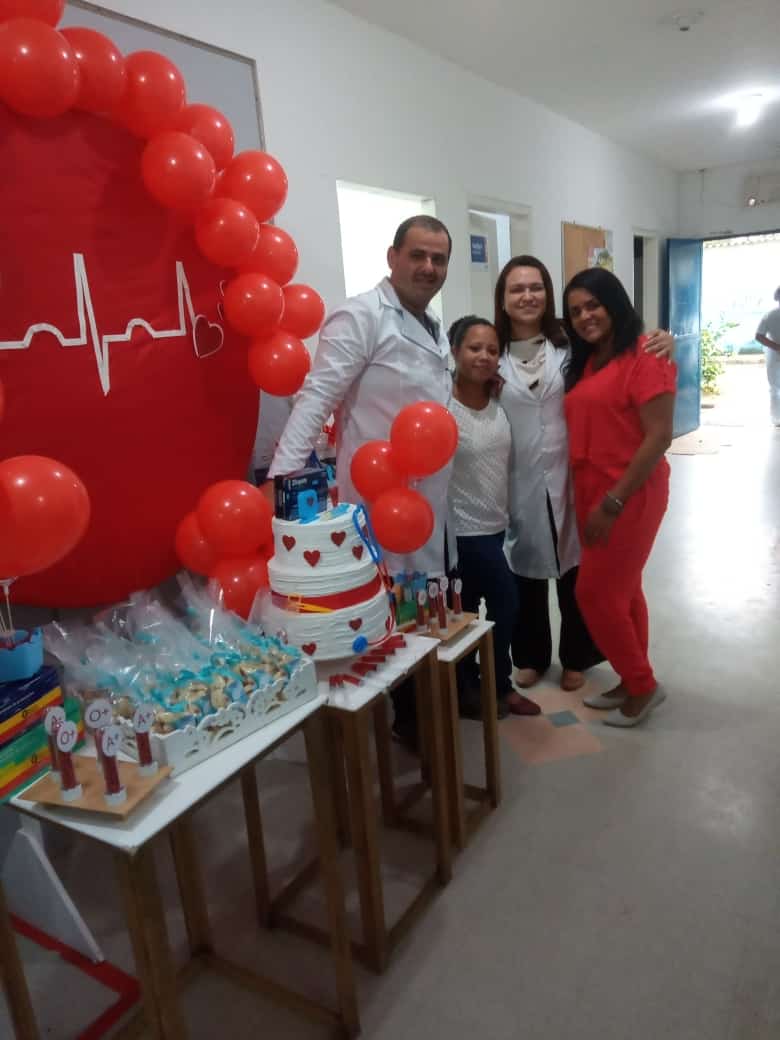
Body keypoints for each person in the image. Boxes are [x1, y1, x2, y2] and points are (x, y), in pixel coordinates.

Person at [267, 215, 454, 748]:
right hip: (380, 497)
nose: (428, 267)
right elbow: (317, 398)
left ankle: (424, 714)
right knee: (386, 612)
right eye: (417, 255)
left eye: (438, 259)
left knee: (424, 608)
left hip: (428, 496)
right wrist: (282, 484)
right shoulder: (362, 315)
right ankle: (405, 723)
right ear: (392, 257)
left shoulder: (431, 322)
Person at [493, 256, 674, 694]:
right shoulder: (491, 352)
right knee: (526, 569)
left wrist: (665, 339)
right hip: (520, 476)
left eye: (536, 287)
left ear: (547, 295)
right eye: (516, 289)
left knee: (578, 570)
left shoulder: (572, 346)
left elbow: (631, 358)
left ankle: (579, 657)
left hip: (579, 475)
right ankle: (532, 657)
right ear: (502, 299)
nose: (527, 296)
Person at [562, 267, 676, 727]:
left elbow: (659, 436)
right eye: (575, 311)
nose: (585, 316)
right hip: (591, 488)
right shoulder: (589, 359)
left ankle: (643, 686)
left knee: (595, 594)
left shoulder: (646, 354)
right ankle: (631, 678)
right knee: (625, 591)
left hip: (630, 491)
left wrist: (613, 502)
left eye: (593, 305)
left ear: (615, 303)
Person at [447, 316, 540, 718]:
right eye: (474, 348)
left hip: (497, 525)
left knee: (467, 611)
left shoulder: (500, 400)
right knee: (504, 604)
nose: (483, 356)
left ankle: (472, 688)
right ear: (454, 351)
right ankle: (495, 685)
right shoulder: (442, 404)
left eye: (491, 349)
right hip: (462, 530)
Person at [754, 286, 780, 426]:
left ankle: (777, 419)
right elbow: (759, 336)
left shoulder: (769, 315)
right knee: (775, 387)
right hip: (774, 356)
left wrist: (776, 347)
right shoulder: (770, 315)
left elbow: (759, 336)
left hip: (774, 355)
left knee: (774, 387)